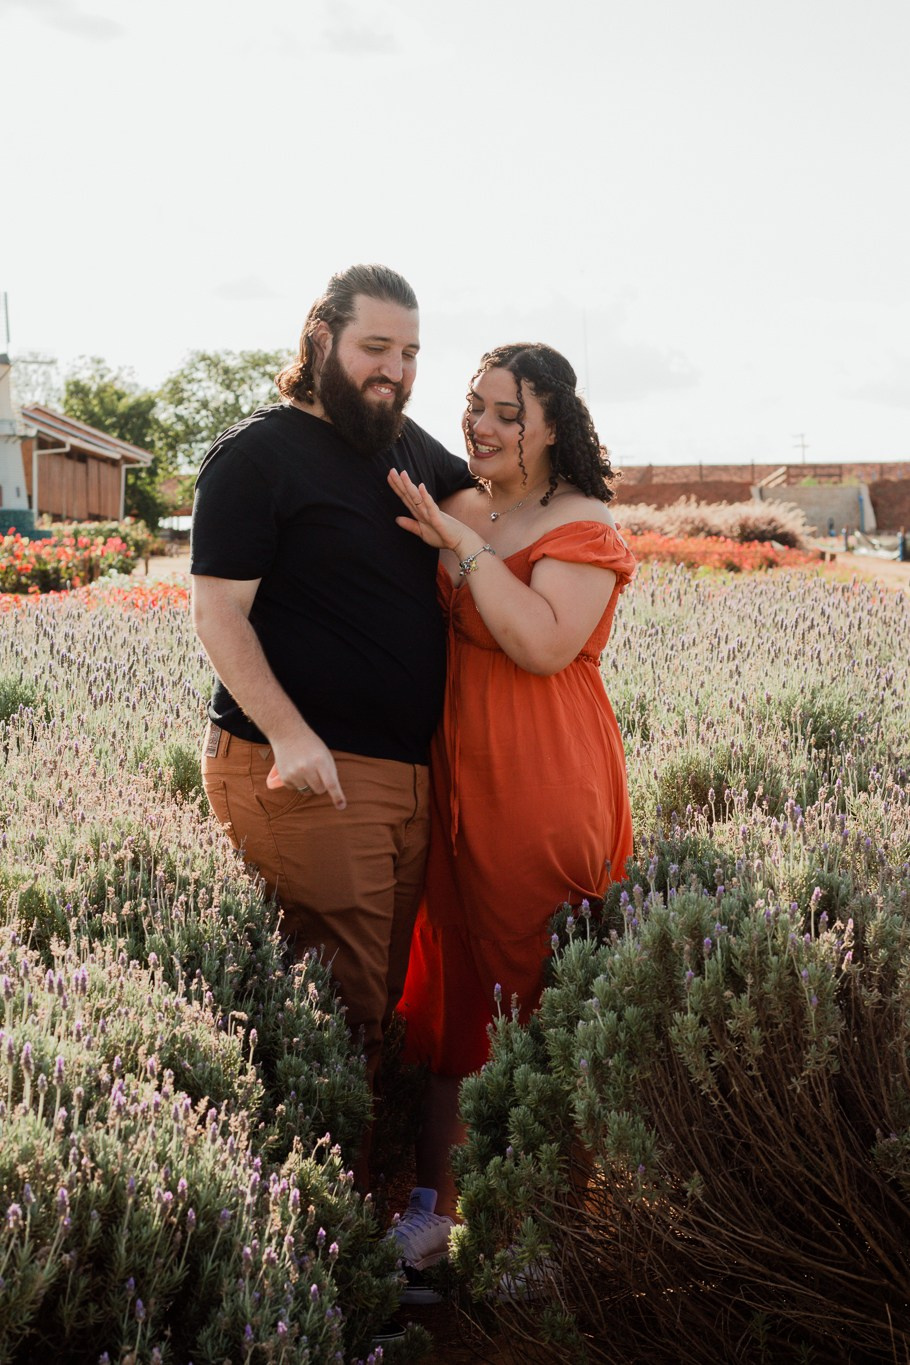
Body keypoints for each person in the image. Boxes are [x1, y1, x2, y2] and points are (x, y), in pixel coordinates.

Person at [190, 265, 475, 1184]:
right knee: (343, 1011)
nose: (396, 370)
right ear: (320, 341)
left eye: (411, 353)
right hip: (309, 771)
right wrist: (291, 734)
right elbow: (219, 614)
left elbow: (491, 516)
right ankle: (330, 1265)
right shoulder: (258, 456)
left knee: (383, 1007)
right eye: (376, 349)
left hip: (403, 777)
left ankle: (373, 1226)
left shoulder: (403, 446)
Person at [385, 342, 636, 1282]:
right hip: (460, 777)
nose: (480, 425)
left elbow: (538, 642)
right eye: (474, 405)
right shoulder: (471, 505)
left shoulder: (582, 522)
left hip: (544, 777)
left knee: (544, 989)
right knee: (453, 991)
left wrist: (465, 548)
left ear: (552, 425)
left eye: (504, 411)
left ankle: (552, 1226)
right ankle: (431, 1212)